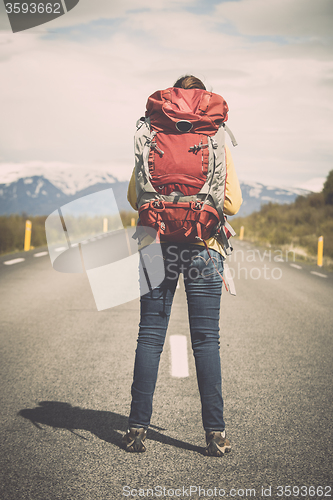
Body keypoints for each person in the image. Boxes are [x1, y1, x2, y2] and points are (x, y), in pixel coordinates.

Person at [123, 75, 242, 456]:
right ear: (204, 99)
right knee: (207, 340)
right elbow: (232, 203)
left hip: (154, 243)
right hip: (203, 243)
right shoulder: (215, 134)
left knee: (149, 334)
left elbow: (133, 196)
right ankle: (216, 436)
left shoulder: (152, 132)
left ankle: (136, 428)